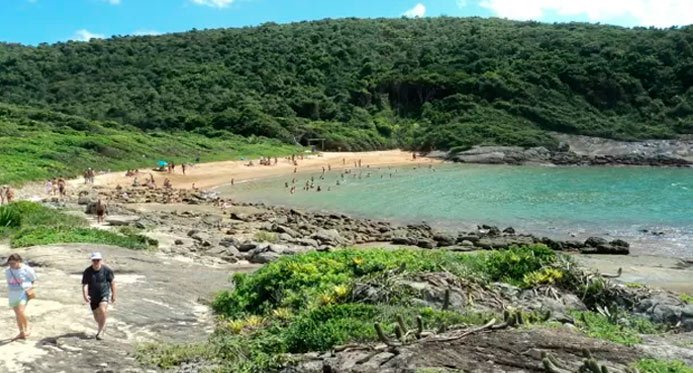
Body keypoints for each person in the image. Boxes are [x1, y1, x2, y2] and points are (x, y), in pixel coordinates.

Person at [82, 252, 116, 340]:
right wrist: (85, 295)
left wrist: (113, 295)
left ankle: (100, 332)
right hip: (93, 296)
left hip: (104, 294)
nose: (96, 262)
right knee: (97, 317)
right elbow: (85, 284)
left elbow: (112, 283)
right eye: (94, 260)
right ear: (92, 261)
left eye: (98, 260)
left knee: (102, 310)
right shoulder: (88, 271)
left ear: (101, 260)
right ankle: (102, 325)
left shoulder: (107, 270)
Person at [5, 253, 37, 340]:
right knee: (17, 314)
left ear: (18, 261)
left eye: (13, 263)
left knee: (21, 311)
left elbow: (33, 279)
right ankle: (21, 332)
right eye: (10, 263)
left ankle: (27, 328)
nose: (11, 265)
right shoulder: (8, 270)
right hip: (12, 293)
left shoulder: (26, 269)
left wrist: (30, 288)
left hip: (23, 292)